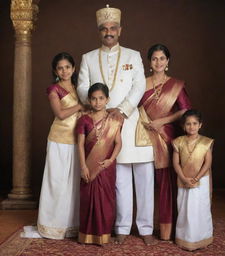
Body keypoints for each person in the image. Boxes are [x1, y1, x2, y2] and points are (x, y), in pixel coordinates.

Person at [77, 5, 155, 245]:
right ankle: (121, 227)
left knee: (144, 177)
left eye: (112, 28)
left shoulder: (132, 55)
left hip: (130, 122)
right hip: (103, 127)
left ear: (120, 30)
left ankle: (146, 228)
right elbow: (82, 86)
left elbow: (139, 85)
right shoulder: (88, 58)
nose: (108, 32)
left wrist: (122, 110)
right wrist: (98, 106)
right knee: (119, 180)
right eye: (104, 29)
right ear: (99, 32)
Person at [138, 44, 191, 241]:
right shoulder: (141, 84)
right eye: (154, 59)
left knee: (166, 183)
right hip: (142, 137)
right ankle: (144, 227)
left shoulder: (176, 84)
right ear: (149, 62)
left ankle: (168, 229)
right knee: (143, 183)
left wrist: (163, 121)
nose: (158, 62)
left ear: (167, 61)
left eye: (162, 58)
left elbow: (185, 110)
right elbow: (133, 109)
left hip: (166, 136)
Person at [36, 52, 83, 239]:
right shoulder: (53, 89)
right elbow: (61, 114)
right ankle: (51, 225)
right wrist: (80, 107)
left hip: (77, 140)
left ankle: (71, 225)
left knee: (73, 183)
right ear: (56, 71)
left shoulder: (79, 87)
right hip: (58, 140)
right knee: (57, 181)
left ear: (73, 68)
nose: (64, 71)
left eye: (67, 67)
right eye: (60, 68)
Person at [77, 83, 122, 245]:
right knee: (88, 198)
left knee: (106, 199)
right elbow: (80, 145)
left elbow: (118, 143)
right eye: (94, 99)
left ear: (107, 99)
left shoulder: (114, 120)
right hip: (89, 165)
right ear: (89, 100)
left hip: (106, 166)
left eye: (101, 98)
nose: (97, 102)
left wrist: (110, 160)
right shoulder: (84, 120)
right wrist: (83, 166)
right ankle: (87, 235)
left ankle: (104, 234)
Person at [172, 109, 214, 251]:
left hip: (201, 181)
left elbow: (207, 163)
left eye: (195, 123)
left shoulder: (206, 142)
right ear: (184, 126)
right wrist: (184, 178)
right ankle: (185, 238)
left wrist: (197, 177)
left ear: (200, 125)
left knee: (200, 208)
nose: (191, 127)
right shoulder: (178, 142)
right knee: (185, 208)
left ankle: (202, 237)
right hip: (183, 180)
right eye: (188, 124)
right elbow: (176, 163)